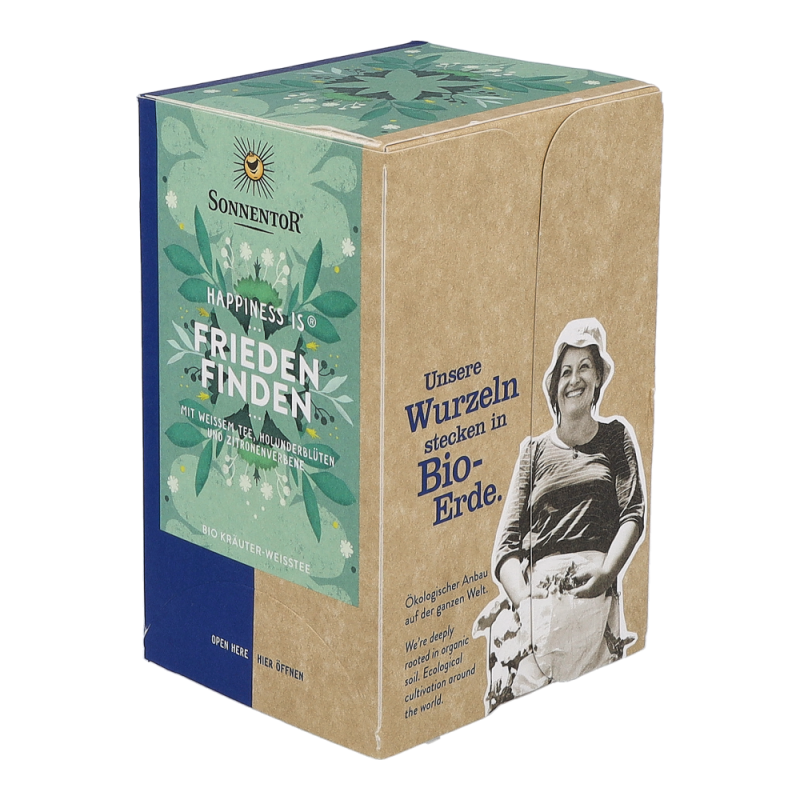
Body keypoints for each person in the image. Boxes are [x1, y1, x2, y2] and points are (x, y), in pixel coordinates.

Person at [473, 318, 645, 711]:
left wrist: (606, 574)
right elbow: (506, 547)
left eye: (584, 367)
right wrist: (523, 601)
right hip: (536, 600)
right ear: (555, 384)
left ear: (598, 376)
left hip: (592, 597)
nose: (574, 379)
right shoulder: (533, 451)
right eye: (565, 371)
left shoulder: (616, 437)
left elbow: (632, 513)